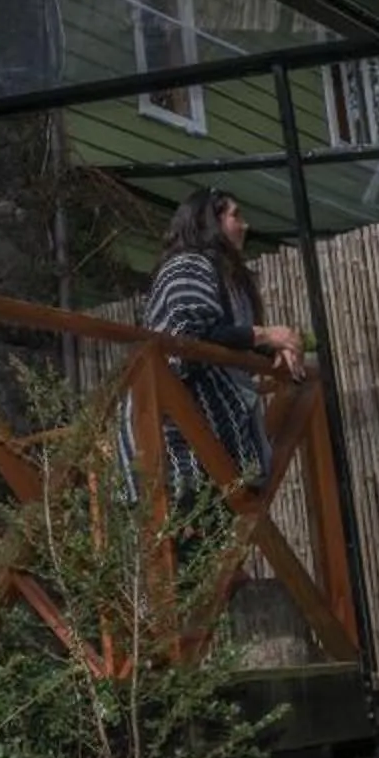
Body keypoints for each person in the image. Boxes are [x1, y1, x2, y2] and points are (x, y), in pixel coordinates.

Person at [118, 189, 305, 541]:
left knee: (206, 551)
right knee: (178, 552)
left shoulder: (222, 275)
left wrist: (274, 352)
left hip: (205, 436)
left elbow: (223, 337)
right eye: (236, 215)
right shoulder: (188, 265)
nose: (245, 225)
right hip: (172, 434)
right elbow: (190, 334)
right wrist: (266, 336)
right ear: (210, 221)